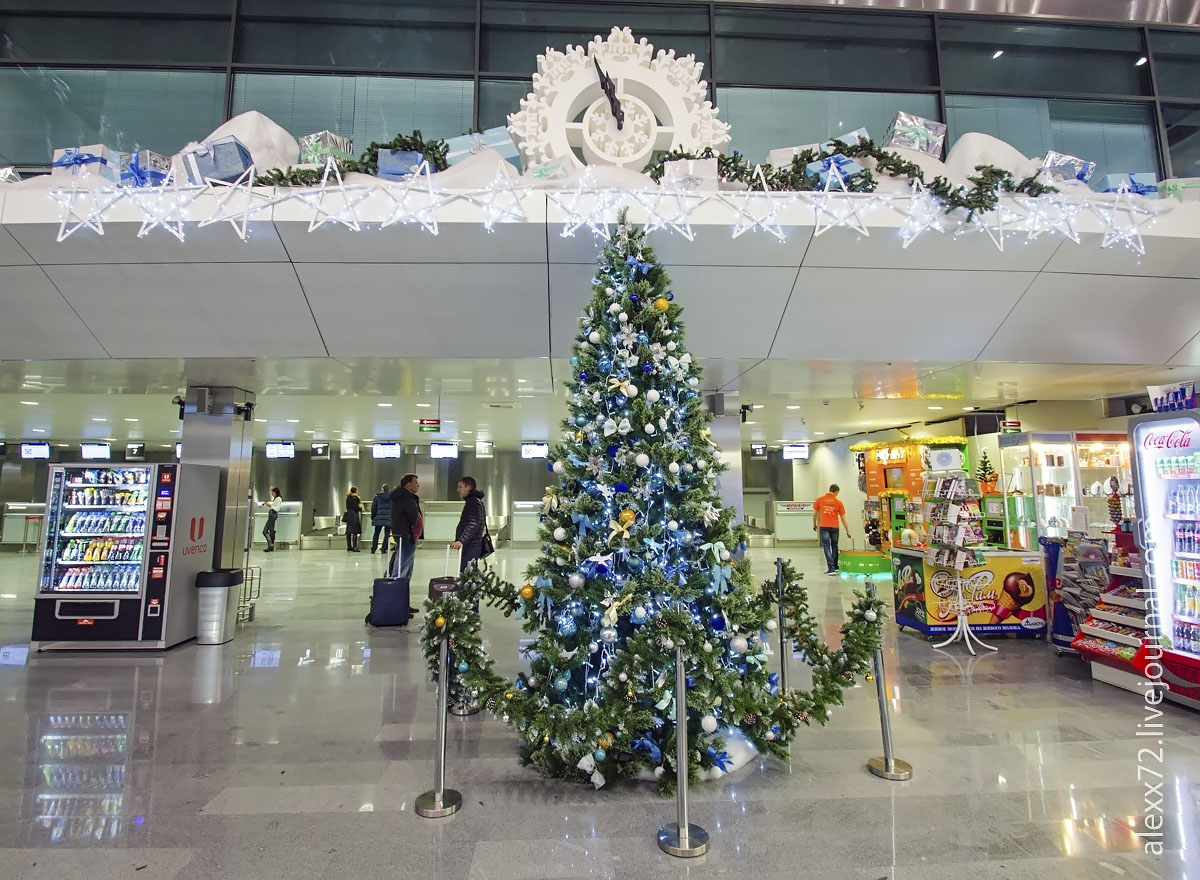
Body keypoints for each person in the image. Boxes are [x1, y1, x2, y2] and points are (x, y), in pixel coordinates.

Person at [389, 474, 423, 580]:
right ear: (408, 485)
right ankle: (396, 586)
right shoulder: (407, 499)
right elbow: (413, 517)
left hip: (403, 534)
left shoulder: (399, 498)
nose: (418, 485)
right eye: (416, 483)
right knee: (402, 566)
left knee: (405, 564)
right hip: (407, 535)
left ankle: (401, 587)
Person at [812, 483, 851, 575]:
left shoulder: (820, 500)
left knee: (826, 546)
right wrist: (847, 530)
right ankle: (835, 566)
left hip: (824, 526)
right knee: (834, 545)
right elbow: (843, 518)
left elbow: (815, 514)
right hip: (835, 527)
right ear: (836, 492)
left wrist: (814, 524)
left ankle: (831, 568)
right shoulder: (838, 502)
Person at [450, 476, 487, 572]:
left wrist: (461, 541)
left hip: (471, 545)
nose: (458, 490)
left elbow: (473, 524)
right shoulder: (475, 501)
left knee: (468, 573)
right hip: (471, 544)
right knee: (470, 572)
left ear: (468, 487)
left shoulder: (473, 502)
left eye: (460, 487)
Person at [370, 483, 392, 554]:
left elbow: (373, 508)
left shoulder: (377, 497)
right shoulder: (391, 497)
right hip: (388, 517)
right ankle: (383, 549)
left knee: (376, 533)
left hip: (379, 517)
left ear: (382, 489)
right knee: (387, 534)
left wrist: (373, 517)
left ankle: (373, 548)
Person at [260, 487, 282, 552]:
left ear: (276, 493)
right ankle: (271, 546)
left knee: (265, 531)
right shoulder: (276, 499)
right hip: (272, 515)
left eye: (273, 493)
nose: (272, 494)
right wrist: (269, 504)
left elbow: (277, 509)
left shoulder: (278, 499)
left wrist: (270, 506)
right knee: (271, 531)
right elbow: (274, 506)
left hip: (273, 515)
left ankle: (270, 545)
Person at [344, 486, 364, 552]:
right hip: (354, 515)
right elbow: (356, 508)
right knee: (355, 531)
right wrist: (361, 508)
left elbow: (347, 506)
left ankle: (349, 546)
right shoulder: (356, 498)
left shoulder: (348, 498)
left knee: (349, 531)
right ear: (356, 491)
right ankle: (355, 547)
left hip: (348, 515)